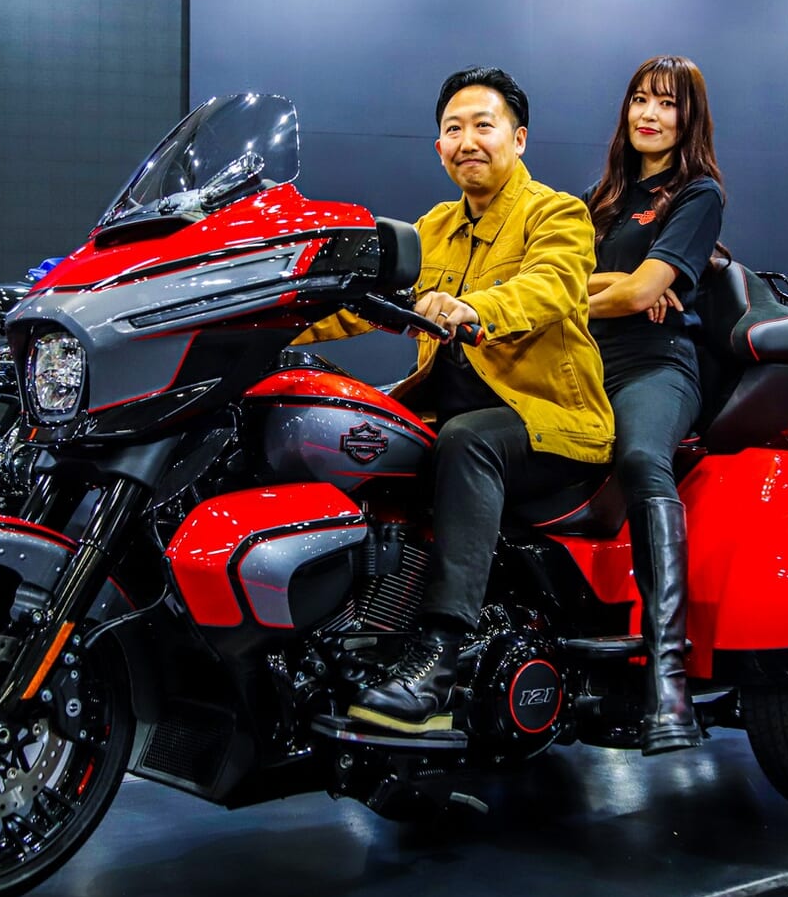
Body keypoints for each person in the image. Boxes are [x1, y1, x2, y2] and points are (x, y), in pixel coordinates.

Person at [301, 67, 614, 734]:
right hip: (447, 414)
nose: (467, 140)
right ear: (438, 147)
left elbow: (551, 286)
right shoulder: (433, 228)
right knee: (339, 428)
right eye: (453, 128)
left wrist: (474, 308)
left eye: (483, 125)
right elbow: (362, 302)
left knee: (468, 439)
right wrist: (268, 322)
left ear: (518, 139)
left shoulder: (557, 214)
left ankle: (438, 657)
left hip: (548, 423)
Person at [582, 56, 724, 753]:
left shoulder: (697, 195)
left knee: (641, 457)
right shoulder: (598, 199)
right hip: (583, 362)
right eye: (640, 98)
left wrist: (628, 286)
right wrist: (623, 283)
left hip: (656, 364)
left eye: (667, 103)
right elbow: (554, 279)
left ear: (687, 116)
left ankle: (668, 680)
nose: (650, 113)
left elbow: (643, 295)